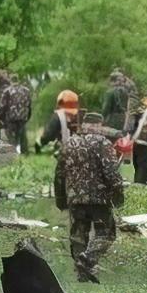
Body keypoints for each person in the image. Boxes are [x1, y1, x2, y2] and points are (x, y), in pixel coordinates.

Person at [54, 112, 125, 283]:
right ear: (100, 125)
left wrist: (61, 199)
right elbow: (111, 172)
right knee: (106, 234)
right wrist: (118, 193)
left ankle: (82, 273)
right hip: (98, 199)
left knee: (78, 236)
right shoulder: (102, 143)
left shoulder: (69, 143)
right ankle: (87, 259)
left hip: (75, 199)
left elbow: (59, 175)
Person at [0, 73, 32, 154]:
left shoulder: (7, 91)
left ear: (10, 81)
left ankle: (12, 152)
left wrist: (1, 117)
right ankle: (25, 152)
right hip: (23, 116)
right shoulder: (26, 90)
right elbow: (29, 105)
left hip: (11, 117)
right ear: (18, 80)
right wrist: (28, 116)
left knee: (11, 135)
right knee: (22, 135)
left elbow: (3, 106)